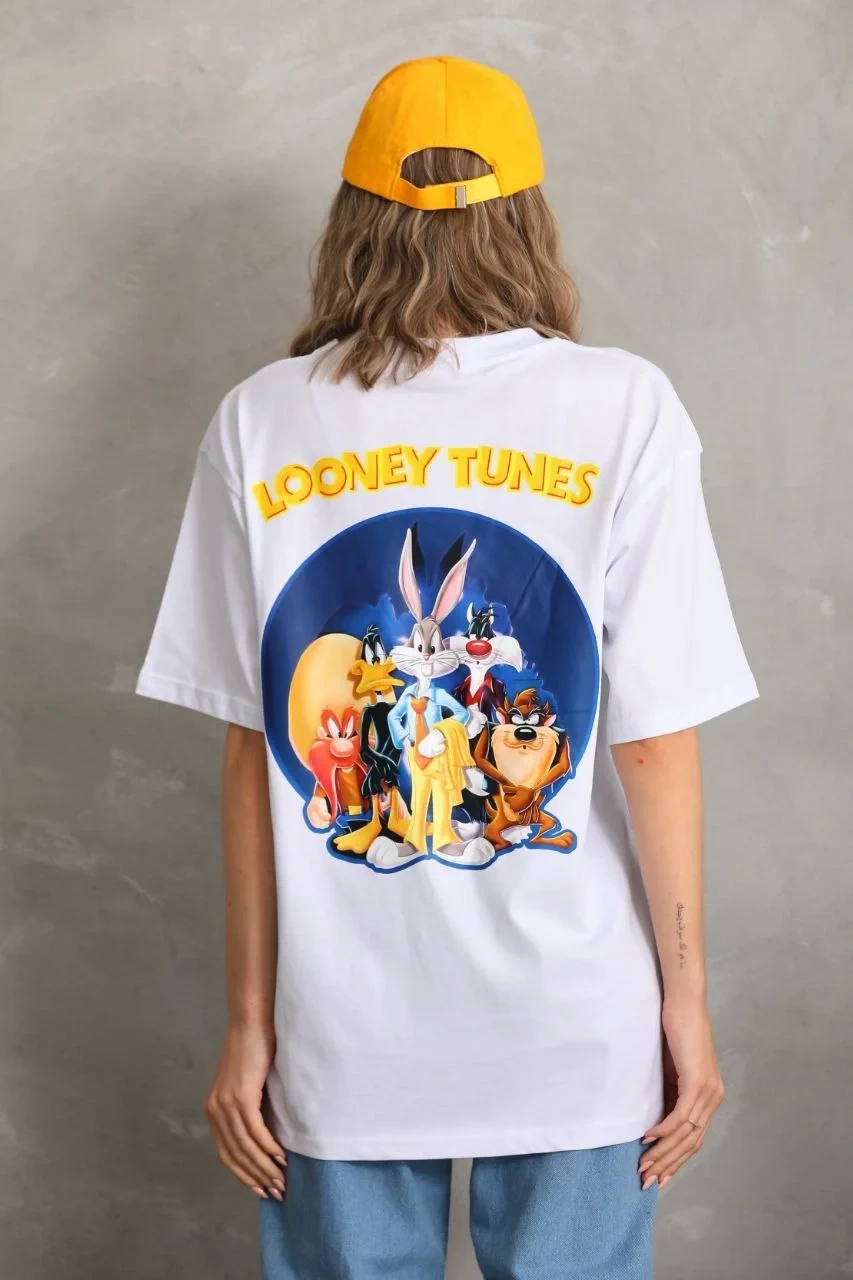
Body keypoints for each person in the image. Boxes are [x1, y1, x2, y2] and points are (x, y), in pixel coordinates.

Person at [136, 55, 758, 1280]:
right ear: (524, 212)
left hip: (342, 1026)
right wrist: (683, 1003)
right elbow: (651, 740)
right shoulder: (624, 407)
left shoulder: (262, 419)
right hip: (573, 1017)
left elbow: (256, 747)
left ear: (354, 216)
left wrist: (252, 1020)